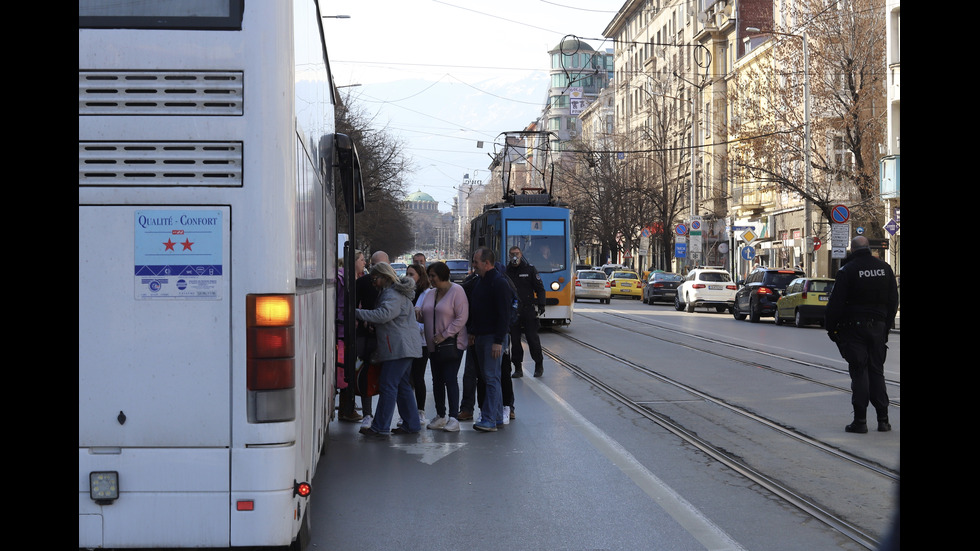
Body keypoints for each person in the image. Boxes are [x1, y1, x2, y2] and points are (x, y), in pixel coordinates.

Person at [825, 236, 899, 433]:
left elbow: (836, 303)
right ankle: (883, 420)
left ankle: (860, 421)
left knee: (859, 371)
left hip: (854, 329)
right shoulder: (885, 268)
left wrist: (831, 328)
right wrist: (886, 326)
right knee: (876, 371)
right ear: (868, 248)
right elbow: (893, 300)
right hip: (878, 327)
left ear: (853, 249)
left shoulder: (847, 270)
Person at [355, 262, 424, 439]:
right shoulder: (393, 293)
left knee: (388, 384)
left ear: (385, 277)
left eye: (375, 279)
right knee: (402, 386)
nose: (373, 283)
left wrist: (357, 313)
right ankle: (411, 423)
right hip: (403, 346)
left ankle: (380, 427)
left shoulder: (391, 294)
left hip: (398, 347)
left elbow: (383, 315)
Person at [419, 261, 468, 432]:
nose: (431, 279)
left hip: (451, 343)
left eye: (433, 276)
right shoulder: (431, 293)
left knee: (450, 378)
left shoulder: (457, 291)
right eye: (429, 276)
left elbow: (462, 317)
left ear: (442, 275)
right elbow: (425, 312)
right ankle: (441, 414)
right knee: (437, 380)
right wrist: (419, 314)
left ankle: (454, 417)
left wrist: (445, 334)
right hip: (434, 344)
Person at [466, 247, 511, 432]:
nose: (473, 265)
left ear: (487, 263)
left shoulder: (499, 283)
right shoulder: (480, 282)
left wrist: (499, 341)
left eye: (476, 262)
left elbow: (504, 315)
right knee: (491, 377)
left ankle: (489, 419)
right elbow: (477, 310)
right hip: (482, 336)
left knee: (491, 378)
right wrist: (473, 331)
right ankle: (497, 417)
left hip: (493, 337)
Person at [354, 251, 389, 428]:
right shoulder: (361, 283)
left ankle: (383, 416)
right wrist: (364, 320)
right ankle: (367, 414)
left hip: (387, 336)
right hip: (366, 336)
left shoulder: (394, 287)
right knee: (366, 373)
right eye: (375, 267)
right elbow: (353, 306)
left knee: (388, 376)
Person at [506, 246, 547, 378]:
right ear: (509, 255)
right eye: (512, 254)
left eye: (517, 254)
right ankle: (518, 368)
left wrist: (541, 304)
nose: (514, 256)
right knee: (515, 340)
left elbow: (540, 289)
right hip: (513, 311)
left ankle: (538, 365)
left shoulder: (529, 270)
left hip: (528, 309)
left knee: (532, 338)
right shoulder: (506, 271)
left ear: (521, 254)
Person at [406, 263, 431, 427]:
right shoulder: (406, 293)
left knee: (418, 376)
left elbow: (426, 322)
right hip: (406, 341)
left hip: (421, 343)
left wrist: (411, 326)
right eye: (407, 274)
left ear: (420, 277)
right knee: (407, 378)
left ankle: (420, 411)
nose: (408, 277)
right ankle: (408, 412)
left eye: (411, 274)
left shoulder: (427, 294)